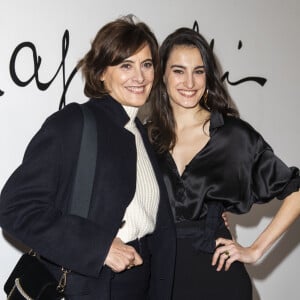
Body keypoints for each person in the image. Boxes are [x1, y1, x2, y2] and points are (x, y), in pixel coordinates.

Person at [0, 16, 176, 300]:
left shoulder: (142, 133)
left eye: (146, 64)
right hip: (94, 285)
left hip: (143, 281)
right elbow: (15, 207)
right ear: (101, 73)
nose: (140, 76)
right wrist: (100, 248)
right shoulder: (73, 124)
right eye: (125, 65)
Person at [147, 27, 300, 299]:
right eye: (178, 70)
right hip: (157, 277)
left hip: (217, 277)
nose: (189, 82)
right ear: (162, 75)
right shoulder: (145, 137)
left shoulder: (233, 135)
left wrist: (255, 249)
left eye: (199, 71)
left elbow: (295, 190)